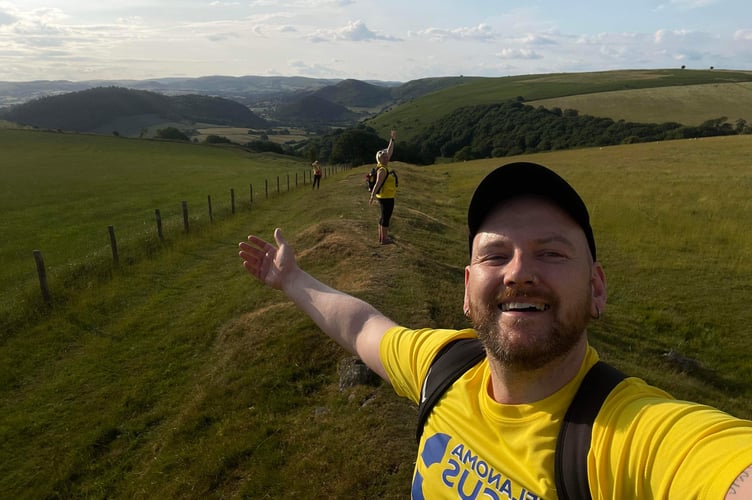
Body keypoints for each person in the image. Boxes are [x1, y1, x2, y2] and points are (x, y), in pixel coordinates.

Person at [238, 161, 752, 499]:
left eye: (551, 253)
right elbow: (363, 326)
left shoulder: (631, 437)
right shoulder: (442, 364)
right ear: (467, 289)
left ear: (597, 288)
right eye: (495, 255)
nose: (518, 272)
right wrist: (292, 280)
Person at [369, 130, 397, 244]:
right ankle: (384, 239)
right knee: (386, 217)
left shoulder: (382, 166)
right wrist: (372, 196)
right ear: (379, 159)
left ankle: (382, 237)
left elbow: (389, 151)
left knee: (383, 216)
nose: (386, 158)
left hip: (386, 195)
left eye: (386, 156)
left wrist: (392, 140)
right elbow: (378, 184)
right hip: (386, 197)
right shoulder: (382, 170)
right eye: (384, 157)